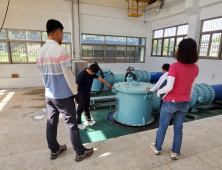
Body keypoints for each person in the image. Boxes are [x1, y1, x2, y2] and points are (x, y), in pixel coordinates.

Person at [37, 19, 93, 162]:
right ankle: (80, 152)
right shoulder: (60, 50)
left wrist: (48, 89)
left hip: (49, 95)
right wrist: (75, 94)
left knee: (51, 122)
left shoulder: (40, 52)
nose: (62, 37)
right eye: (62, 34)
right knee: (71, 124)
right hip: (62, 96)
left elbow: (43, 76)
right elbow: (68, 75)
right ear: (57, 32)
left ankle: (54, 149)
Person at [150, 38, 199, 160]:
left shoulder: (174, 66)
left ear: (181, 51)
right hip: (185, 102)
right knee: (178, 128)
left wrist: (159, 92)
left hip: (171, 102)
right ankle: (175, 152)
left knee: (163, 126)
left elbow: (169, 86)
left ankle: (157, 148)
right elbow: (192, 87)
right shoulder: (195, 68)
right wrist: (186, 97)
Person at [76, 64, 112, 130]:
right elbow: (77, 86)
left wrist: (107, 83)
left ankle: (88, 120)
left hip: (87, 93)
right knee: (80, 109)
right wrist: (76, 97)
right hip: (81, 94)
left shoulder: (92, 73)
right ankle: (78, 123)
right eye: (93, 73)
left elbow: (99, 78)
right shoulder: (82, 75)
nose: (94, 74)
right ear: (90, 71)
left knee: (86, 107)